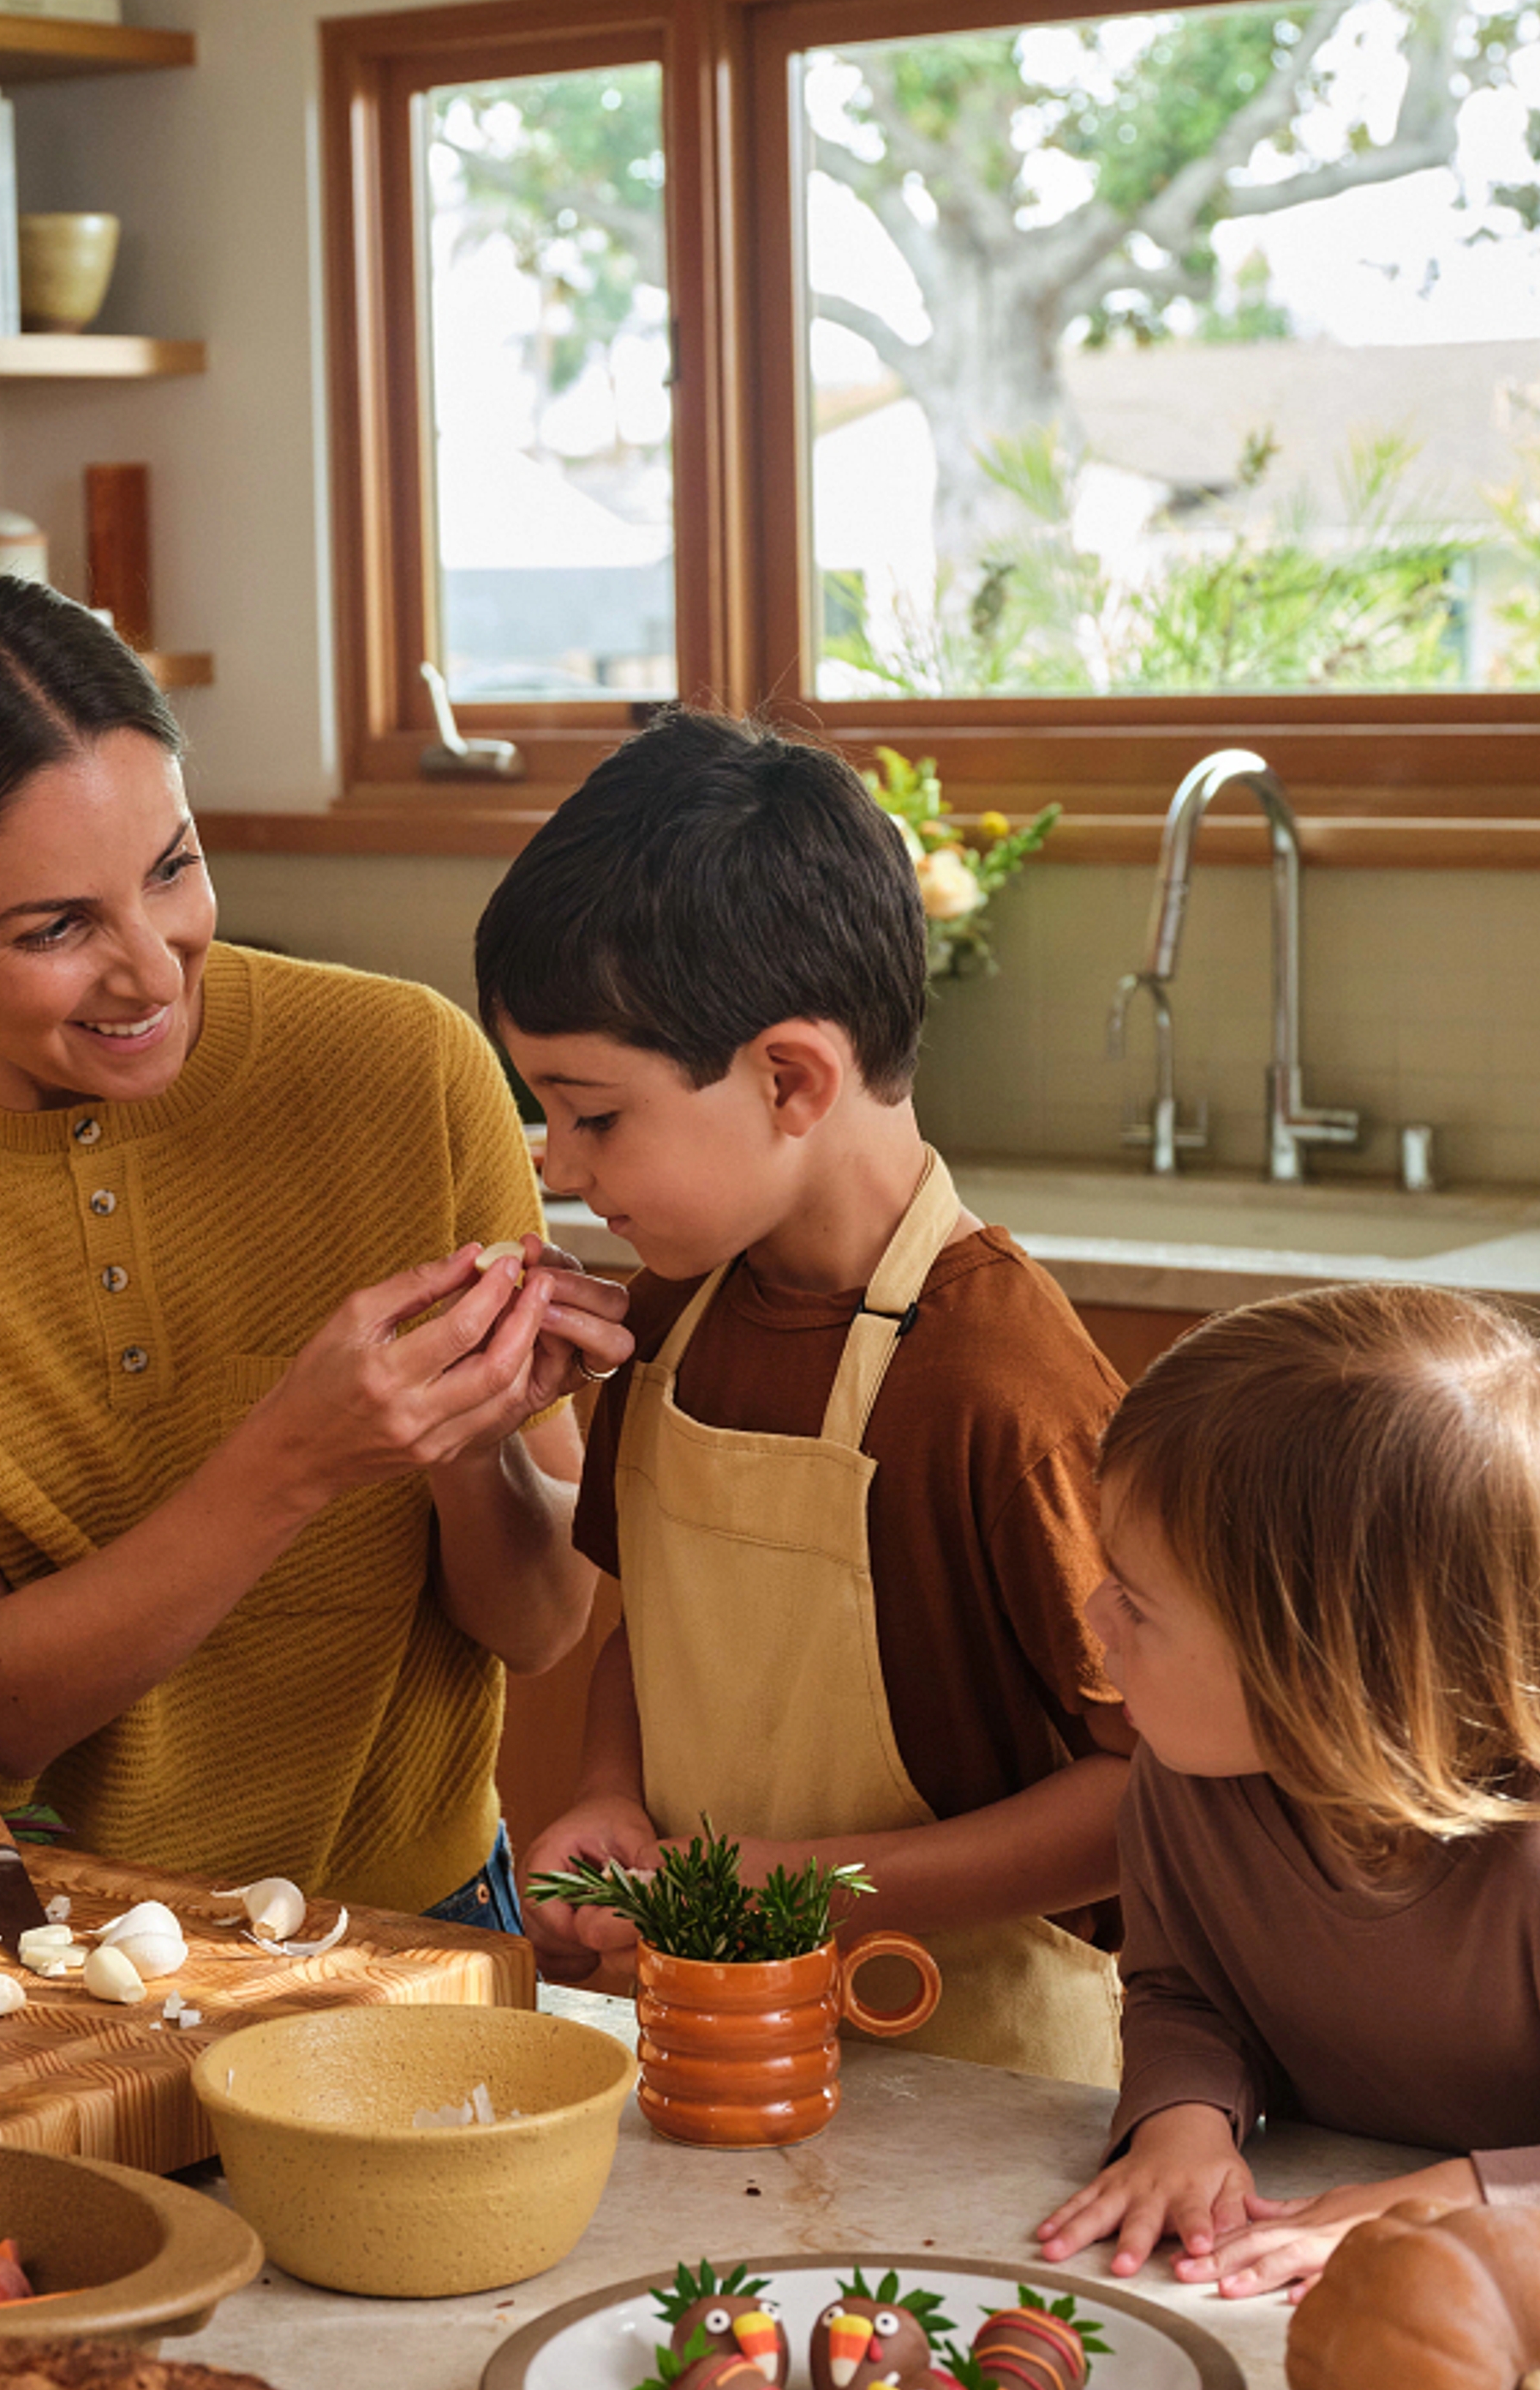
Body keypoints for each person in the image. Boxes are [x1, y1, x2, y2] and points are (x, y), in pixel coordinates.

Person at [0, 573, 635, 1923]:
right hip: (16, 1942)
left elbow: (536, 1630)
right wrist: (297, 1456)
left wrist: (460, 1434)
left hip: (411, 1927)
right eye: (56, 929)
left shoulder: (407, 1067)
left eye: (173, 868)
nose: (155, 970)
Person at [481, 706, 1131, 2082]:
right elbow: (647, 1640)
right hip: (715, 2045)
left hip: (986, 2088)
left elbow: (1148, 1800)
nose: (563, 1166)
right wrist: (610, 1795)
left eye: (594, 1114)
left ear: (791, 1077)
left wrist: (794, 1889)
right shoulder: (674, 1314)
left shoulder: (997, 1390)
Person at [1036, 1283, 1540, 2292]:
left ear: (1325, 1672)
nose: (1093, 1612)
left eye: (1140, 1605)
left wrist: (1445, 2203)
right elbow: (1183, 1991)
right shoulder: (1185, 1776)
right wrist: (1182, 2123)